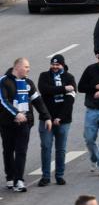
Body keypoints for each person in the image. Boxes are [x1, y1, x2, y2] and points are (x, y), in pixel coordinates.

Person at [1, 58, 51, 192]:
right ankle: (10, 177)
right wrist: (16, 114)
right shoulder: (4, 81)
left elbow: (37, 101)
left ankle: (19, 180)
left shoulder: (28, 83)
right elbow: (3, 101)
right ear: (17, 67)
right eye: (26, 67)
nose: (29, 69)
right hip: (7, 124)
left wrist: (47, 117)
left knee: (21, 151)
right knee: (8, 150)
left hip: (25, 123)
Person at [37, 55, 76, 186]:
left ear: (62, 65)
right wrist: (64, 88)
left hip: (63, 120)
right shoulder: (44, 76)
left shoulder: (69, 78)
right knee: (46, 147)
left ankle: (59, 175)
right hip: (46, 118)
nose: (54, 67)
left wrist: (60, 117)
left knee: (61, 149)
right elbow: (44, 90)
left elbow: (70, 100)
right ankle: (45, 176)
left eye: (57, 65)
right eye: (52, 64)